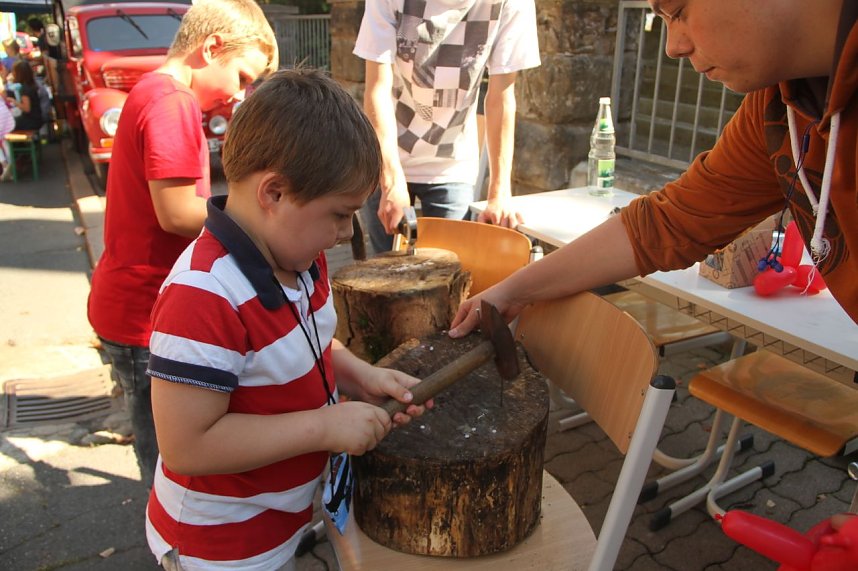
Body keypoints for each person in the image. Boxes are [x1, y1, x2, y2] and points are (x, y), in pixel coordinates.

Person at [145, 68, 429, 571]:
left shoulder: (298, 256)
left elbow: (309, 342)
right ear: (273, 193)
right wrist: (323, 426)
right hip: (222, 547)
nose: (345, 233)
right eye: (339, 214)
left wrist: (359, 375)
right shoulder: (203, 295)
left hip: (279, 522)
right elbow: (188, 445)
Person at [449, 0, 858, 337]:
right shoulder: (776, 108)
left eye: (677, 12)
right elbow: (669, 223)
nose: (673, 48)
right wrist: (511, 291)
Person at [86, 0, 277, 488]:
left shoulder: (157, 91)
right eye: (241, 76)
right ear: (211, 48)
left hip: (133, 303)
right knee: (170, 461)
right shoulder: (173, 101)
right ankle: (175, 551)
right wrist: (259, 225)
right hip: (143, 313)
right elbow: (175, 214)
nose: (240, 94)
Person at [353, 0, 541, 254]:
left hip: (451, 162)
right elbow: (377, 88)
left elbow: (501, 99)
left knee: (447, 270)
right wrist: (391, 182)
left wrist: (499, 193)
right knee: (384, 273)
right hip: (386, 154)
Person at [7, 60, 43, 132]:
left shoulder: (25, 89)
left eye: (14, 72)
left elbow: (27, 109)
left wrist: (14, 102)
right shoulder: (31, 84)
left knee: (8, 125)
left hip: (31, 121)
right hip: (37, 118)